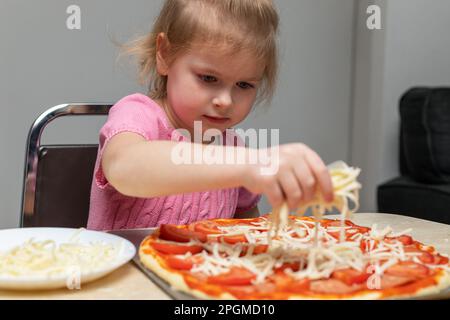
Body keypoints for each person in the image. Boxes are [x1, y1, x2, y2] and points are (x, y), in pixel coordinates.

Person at [87, 0, 333, 230]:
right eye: (208, 78)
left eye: (244, 85)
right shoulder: (136, 114)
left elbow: (248, 229)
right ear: (164, 54)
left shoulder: (234, 147)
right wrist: (247, 164)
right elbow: (124, 167)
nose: (225, 101)